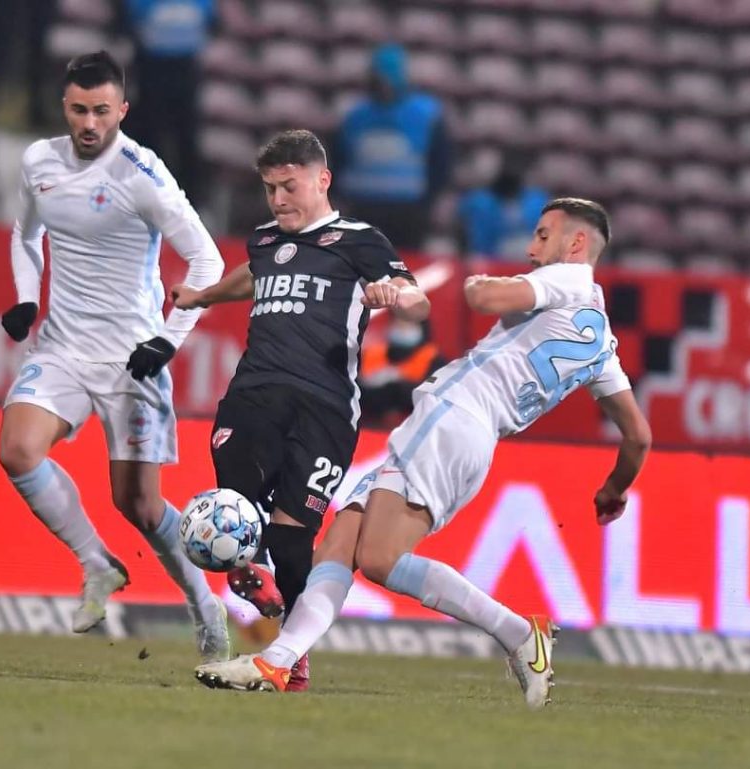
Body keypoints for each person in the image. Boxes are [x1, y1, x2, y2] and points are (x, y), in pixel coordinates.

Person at [193, 198, 653, 709]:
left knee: (379, 559)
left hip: (453, 416)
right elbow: (637, 436)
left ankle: (519, 632)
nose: (531, 248)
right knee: (340, 544)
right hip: (469, 436)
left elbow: (486, 298)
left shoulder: (568, 279)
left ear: (577, 243)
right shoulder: (602, 343)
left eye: (543, 235)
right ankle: (278, 662)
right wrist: (614, 489)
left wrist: (478, 284)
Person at [172, 129, 431, 690]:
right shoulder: (265, 241)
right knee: (234, 502)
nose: (278, 199)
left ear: (322, 180)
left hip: (326, 407)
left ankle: (290, 651)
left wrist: (397, 296)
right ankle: (246, 567)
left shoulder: (360, 240)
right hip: (255, 392)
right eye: (270, 188)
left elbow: (417, 298)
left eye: (289, 186)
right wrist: (203, 296)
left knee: (292, 539)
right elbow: (254, 275)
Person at [0, 51, 229, 661]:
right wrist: (27, 297)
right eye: (79, 110)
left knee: (140, 506)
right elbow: (26, 234)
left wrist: (167, 339)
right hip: (63, 347)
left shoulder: (141, 174)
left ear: (122, 109)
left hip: (132, 358)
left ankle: (205, 605)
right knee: (17, 449)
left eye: (101, 110)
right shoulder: (39, 161)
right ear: (64, 106)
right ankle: (96, 563)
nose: (89, 123)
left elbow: (208, 261)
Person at [331, 43, 453, 251]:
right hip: (363, 208)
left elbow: (441, 163)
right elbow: (338, 160)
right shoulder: (354, 116)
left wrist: (427, 203)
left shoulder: (426, 115)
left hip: (408, 212)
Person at [119, 0, 215, 205]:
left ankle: (190, 200)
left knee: (186, 138)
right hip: (151, 71)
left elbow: (209, 22)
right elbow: (130, 22)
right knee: (151, 135)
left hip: (186, 72)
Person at [459, 150, 550, 260]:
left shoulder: (537, 200)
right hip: (487, 255)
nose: (511, 172)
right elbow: (469, 234)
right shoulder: (478, 202)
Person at [359, 317, 445, 429]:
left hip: (413, 426)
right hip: (369, 425)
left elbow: (432, 391)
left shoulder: (433, 359)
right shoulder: (372, 353)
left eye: (408, 325)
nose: (402, 329)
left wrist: (397, 384)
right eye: (398, 324)